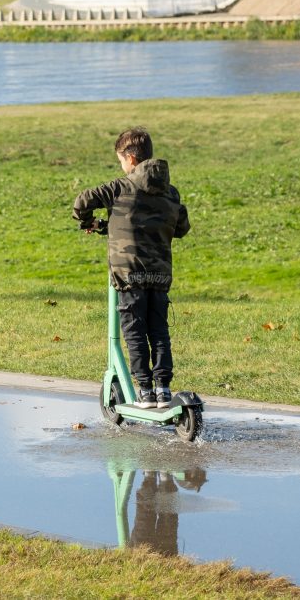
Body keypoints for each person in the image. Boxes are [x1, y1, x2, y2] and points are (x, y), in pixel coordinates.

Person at [72, 127, 190, 409]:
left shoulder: (119, 188)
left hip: (128, 276)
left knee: (135, 331)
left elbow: (82, 202)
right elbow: (181, 227)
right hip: (160, 276)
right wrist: (105, 227)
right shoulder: (170, 193)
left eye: (121, 161)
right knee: (159, 331)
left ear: (131, 159)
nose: (122, 167)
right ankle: (163, 389)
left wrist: (88, 221)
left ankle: (145, 392)